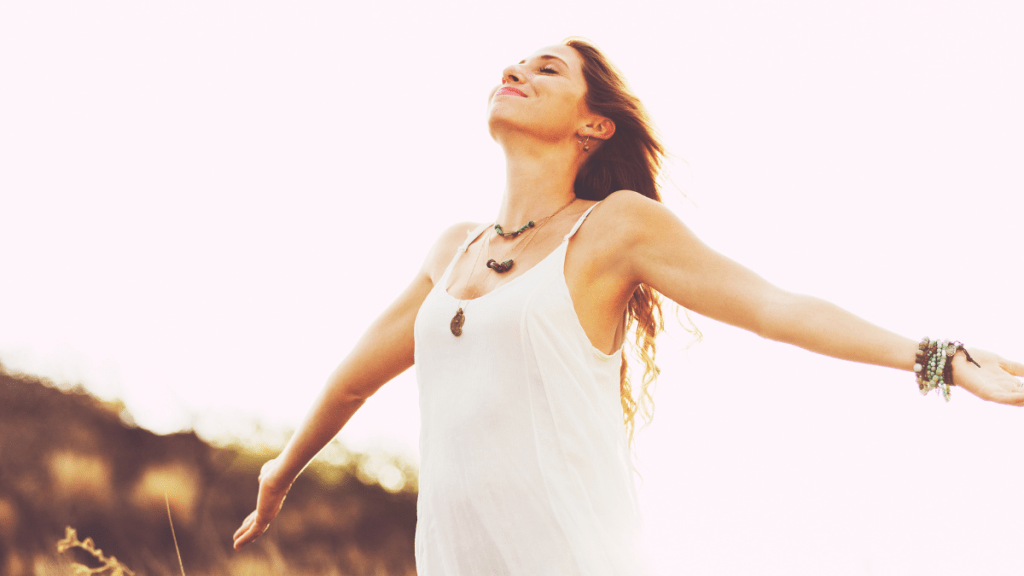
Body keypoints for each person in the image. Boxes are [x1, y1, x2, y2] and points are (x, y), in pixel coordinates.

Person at [232, 38, 1024, 574]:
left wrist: (941, 359)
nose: (517, 71)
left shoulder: (613, 231)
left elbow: (772, 306)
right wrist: (281, 468)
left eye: (547, 70)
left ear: (593, 123)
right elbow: (351, 381)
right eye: (515, 64)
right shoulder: (453, 249)